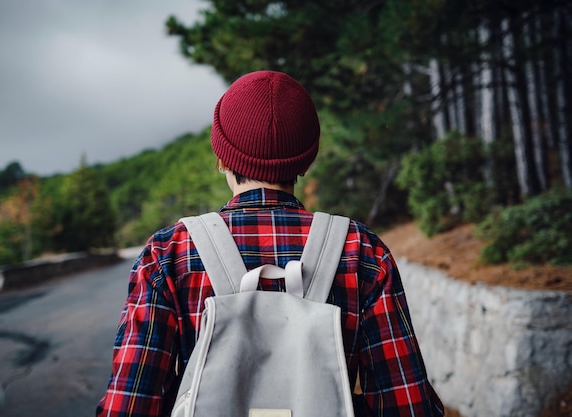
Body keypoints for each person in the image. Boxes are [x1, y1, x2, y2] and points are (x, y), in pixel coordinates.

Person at [96, 70, 444, 417]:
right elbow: (408, 405)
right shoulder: (362, 251)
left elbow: (130, 404)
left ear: (221, 158)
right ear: (305, 162)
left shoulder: (168, 254)